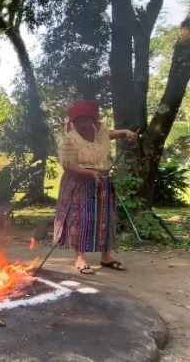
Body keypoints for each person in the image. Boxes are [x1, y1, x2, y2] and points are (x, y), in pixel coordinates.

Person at [53, 99, 138, 274]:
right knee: (82, 219)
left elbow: (110, 134)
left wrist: (126, 132)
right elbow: (68, 165)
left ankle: (106, 258)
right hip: (79, 183)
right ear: (72, 122)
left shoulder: (99, 132)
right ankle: (80, 259)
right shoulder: (69, 140)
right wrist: (90, 173)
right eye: (77, 121)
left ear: (92, 120)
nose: (82, 124)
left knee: (105, 218)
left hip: (102, 181)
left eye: (85, 120)